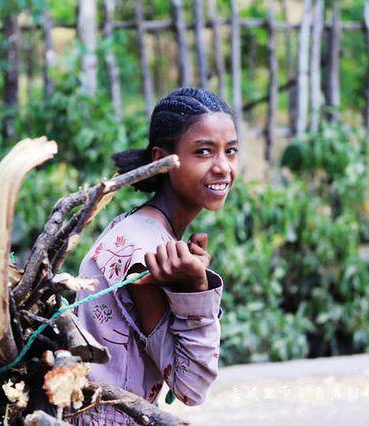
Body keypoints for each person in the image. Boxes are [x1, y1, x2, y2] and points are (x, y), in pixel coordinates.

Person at [72, 87, 238, 424]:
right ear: (162, 160)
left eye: (230, 151)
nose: (223, 167)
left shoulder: (141, 229)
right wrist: (196, 288)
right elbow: (190, 385)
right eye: (204, 152)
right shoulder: (145, 253)